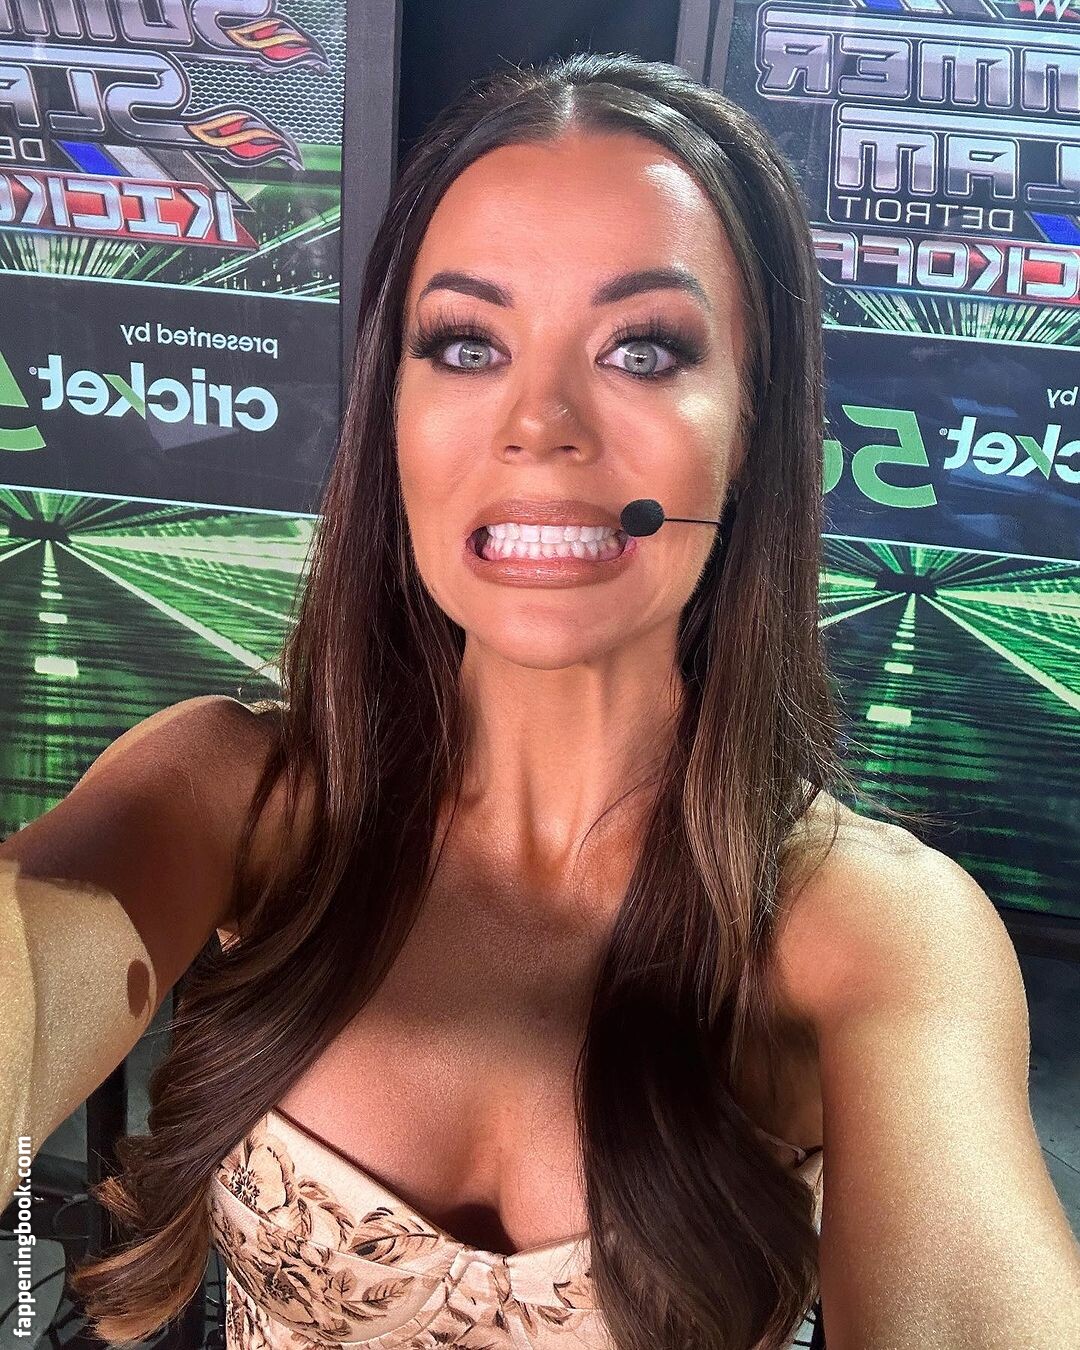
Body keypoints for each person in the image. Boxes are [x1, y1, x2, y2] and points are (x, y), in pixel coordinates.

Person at [3, 51, 1078, 1350]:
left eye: (643, 348)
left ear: (752, 424)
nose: (540, 423)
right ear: (392, 413)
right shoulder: (232, 799)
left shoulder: (875, 932)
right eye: (466, 344)